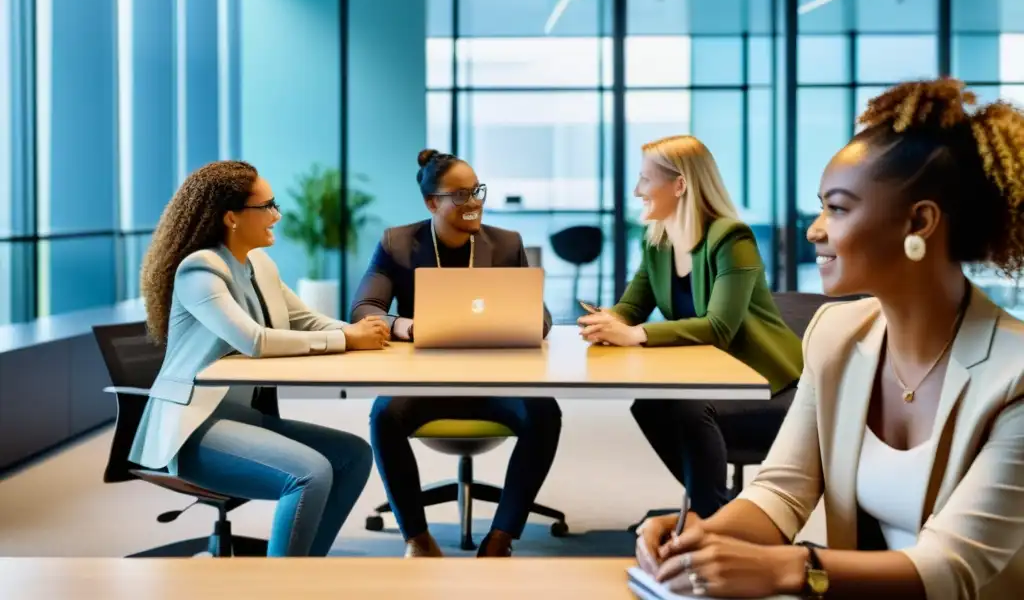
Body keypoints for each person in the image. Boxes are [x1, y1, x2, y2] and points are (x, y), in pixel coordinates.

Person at [638, 79, 1024, 600]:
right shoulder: (837, 333)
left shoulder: (1014, 373)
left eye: (837, 209)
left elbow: (952, 568)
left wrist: (789, 568)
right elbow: (781, 490)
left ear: (920, 221)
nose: (815, 229)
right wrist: (704, 536)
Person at [131, 161, 390, 558]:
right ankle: (276, 586)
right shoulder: (200, 269)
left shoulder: (259, 264)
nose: (277, 215)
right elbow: (254, 341)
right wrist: (345, 339)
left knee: (353, 456)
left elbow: (308, 321)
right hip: (195, 428)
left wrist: (373, 335)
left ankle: (300, 572)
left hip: (241, 417)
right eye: (266, 206)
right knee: (310, 473)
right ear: (231, 217)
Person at [578, 135, 803, 518]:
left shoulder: (731, 238)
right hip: (708, 372)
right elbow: (634, 305)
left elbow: (719, 327)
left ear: (680, 184)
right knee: (647, 405)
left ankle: (713, 518)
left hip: (759, 376)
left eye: (645, 180)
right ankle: (715, 508)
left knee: (684, 407)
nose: (637, 190)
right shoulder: (658, 242)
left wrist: (637, 335)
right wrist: (608, 320)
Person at [351, 149, 560, 558]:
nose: (475, 202)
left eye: (477, 191)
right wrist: (404, 325)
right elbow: (364, 309)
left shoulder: (505, 244)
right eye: (461, 195)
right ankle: (417, 537)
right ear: (432, 202)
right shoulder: (398, 244)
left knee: (545, 414)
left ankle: (501, 537)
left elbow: (542, 315)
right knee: (384, 415)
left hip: (495, 379)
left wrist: (522, 320)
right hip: (426, 380)